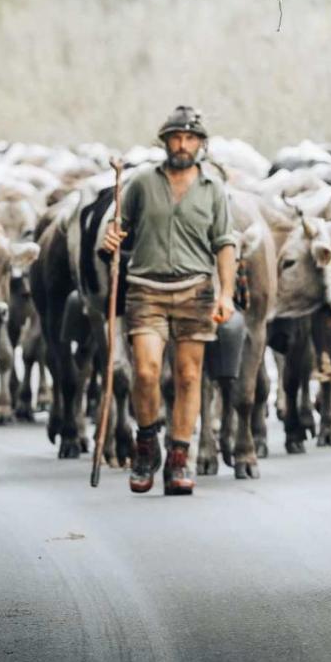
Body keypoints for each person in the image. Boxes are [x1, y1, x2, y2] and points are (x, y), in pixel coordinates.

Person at [100, 106, 237, 495]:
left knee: (189, 376)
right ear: (165, 142)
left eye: (190, 138)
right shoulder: (142, 183)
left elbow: (225, 243)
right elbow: (116, 227)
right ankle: (146, 444)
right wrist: (109, 238)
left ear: (200, 144)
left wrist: (225, 293)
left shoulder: (213, 190)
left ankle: (179, 458)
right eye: (175, 138)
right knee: (144, 372)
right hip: (146, 289)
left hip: (196, 290)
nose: (182, 144)